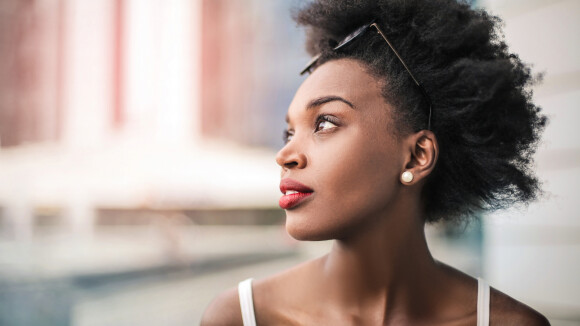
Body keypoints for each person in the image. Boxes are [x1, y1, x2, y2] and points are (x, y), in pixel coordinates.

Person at [202, 0, 549, 324]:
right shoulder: (242, 316)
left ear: (417, 156)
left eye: (324, 123)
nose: (285, 155)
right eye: (289, 133)